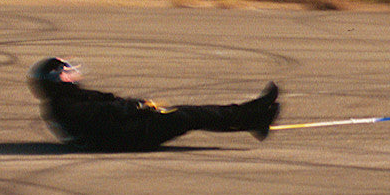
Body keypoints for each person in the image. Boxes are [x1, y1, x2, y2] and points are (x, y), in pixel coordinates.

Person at [28, 57, 280, 151]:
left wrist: (135, 105)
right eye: (64, 73)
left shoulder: (65, 100)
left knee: (191, 114)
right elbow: (103, 112)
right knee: (187, 116)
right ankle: (253, 117)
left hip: (121, 133)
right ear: (53, 81)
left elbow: (106, 101)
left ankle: (253, 115)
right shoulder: (63, 106)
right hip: (124, 138)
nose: (71, 75)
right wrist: (138, 108)